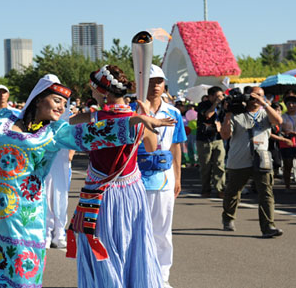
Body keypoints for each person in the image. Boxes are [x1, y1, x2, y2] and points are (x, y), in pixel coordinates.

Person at [0, 74, 171, 288]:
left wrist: (137, 119)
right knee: (1, 278)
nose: (61, 107)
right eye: (56, 100)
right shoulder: (1, 120)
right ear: (38, 100)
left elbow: (95, 134)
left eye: (64, 103)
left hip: (26, 218)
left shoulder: (56, 132)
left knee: (25, 281)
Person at [67, 65, 175, 288]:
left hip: (101, 192)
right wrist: (143, 116)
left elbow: (66, 128)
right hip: (132, 189)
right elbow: (152, 147)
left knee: (104, 246)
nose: (92, 93)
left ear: (103, 92)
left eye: (94, 89)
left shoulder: (90, 118)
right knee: (134, 245)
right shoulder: (137, 117)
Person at [137, 65, 187, 288]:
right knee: (136, 229)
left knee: (163, 231)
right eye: (151, 81)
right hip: (135, 177)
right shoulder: (133, 110)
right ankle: (139, 274)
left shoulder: (173, 112)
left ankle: (162, 277)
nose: (156, 86)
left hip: (164, 177)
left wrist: (178, 177)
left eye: (159, 81)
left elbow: (176, 147)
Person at [221, 86, 284, 238]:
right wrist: (228, 114)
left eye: (259, 95)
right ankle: (228, 217)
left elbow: (278, 121)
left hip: (261, 159)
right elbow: (225, 135)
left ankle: (268, 226)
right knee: (232, 192)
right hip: (239, 160)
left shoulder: (265, 113)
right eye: (253, 95)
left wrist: (264, 103)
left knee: (266, 194)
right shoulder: (237, 115)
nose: (255, 98)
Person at [196, 86, 226, 198]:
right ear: (210, 96)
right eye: (218, 96)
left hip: (218, 138)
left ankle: (220, 189)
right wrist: (215, 104)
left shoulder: (222, 105)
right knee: (206, 166)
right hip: (204, 140)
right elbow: (207, 115)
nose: (220, 98)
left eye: (221, 96)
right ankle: (206, 189)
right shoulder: (202, 105)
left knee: (220, 165)